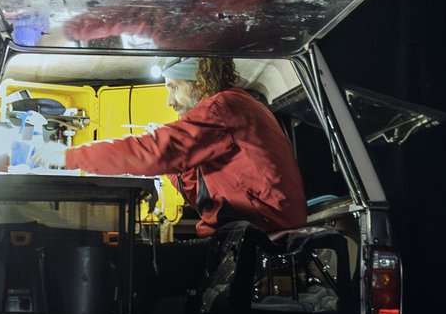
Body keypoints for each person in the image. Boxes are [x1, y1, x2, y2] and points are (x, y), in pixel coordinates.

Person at [64, 55, 306, 237]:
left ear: (199, 82)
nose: (170, 102)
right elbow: (195, 195)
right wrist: (171, 162)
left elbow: (152, 152)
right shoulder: (227, 110)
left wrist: (67, 157)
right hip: (248, 228)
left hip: (259, 229)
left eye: (174, 87)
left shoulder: (223, 108)